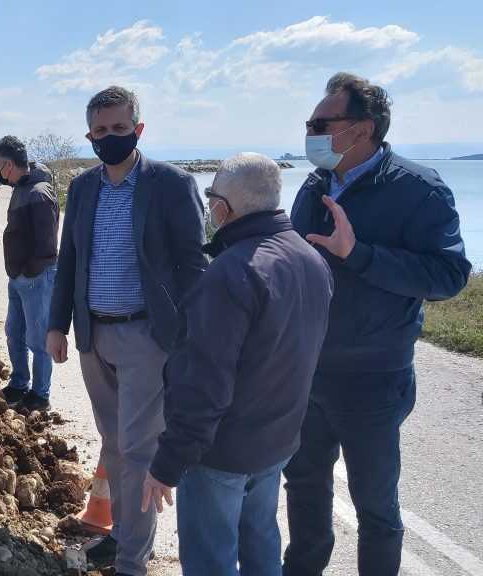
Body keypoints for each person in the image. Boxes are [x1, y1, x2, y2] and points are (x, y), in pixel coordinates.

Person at [282, 73, 471, 576]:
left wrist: (358, 254)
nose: (311, 132)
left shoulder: (419, 190)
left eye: (321, 123)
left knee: (375, 507)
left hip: (373, 378)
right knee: (302, 487)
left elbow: (449, 275)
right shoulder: (315, 181)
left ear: (361, 129)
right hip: (307, 371)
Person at [141, 153, 333, 575]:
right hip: (276, 441)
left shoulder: (231, 274)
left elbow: (203, 383)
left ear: (222, 209)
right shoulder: (310, 258)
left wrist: (168, 463)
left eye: (212, 199)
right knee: (261, 542)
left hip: (221, 452)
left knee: (212, 559)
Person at [46, 85, 206, 575]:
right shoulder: (84, 187)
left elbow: (192, 263)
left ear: (138, 129)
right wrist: (57, 325)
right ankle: (123, 535)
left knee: (138, 449)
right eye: (100, 131)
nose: (109, 137)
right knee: (113, 444)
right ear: (89, 136)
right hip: (95, 336)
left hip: (147, 338)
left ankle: (132, 561)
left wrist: (189, 332)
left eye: (119, 129)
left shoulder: (170, 184)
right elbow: (69, 258)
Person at [0, 135, 59, 412]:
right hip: (19, 277)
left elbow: (47, 245)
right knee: (14, 333)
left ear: (8, 164)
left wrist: (29, 272)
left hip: (36, 278)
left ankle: (40, 395)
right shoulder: (21, 187)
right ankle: (19, 384)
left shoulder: (39, 194)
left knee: (39, 339)